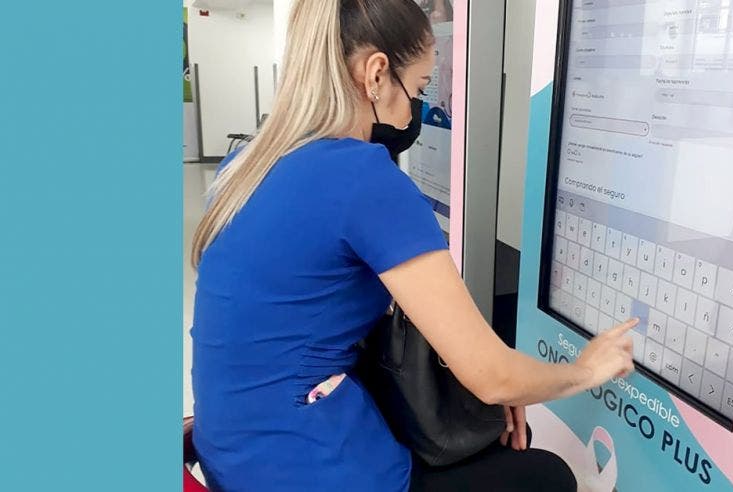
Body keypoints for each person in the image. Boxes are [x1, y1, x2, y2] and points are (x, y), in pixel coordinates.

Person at [189, 1, 638, 491]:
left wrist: (499, 369)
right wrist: (583, 370)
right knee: (545, 475)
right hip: (305, 467)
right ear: (376, 73)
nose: (415, 111)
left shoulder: (245, 164)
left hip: (228, 453)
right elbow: (492, 377)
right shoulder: (362, 177)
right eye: (419, 90)